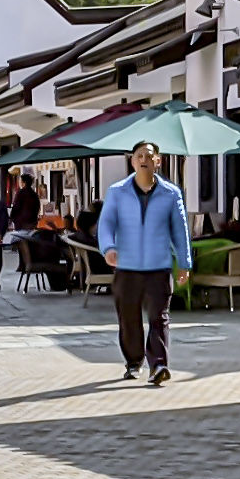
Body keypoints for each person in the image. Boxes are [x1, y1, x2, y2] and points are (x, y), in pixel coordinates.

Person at [97, 141, 191, 385]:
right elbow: (106, 223)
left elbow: (180, 230)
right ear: (132, 161)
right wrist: (108, 248)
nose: (144, 159)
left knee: (159, 317)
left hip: (158, 266)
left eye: (149, 156)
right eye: (139, 156)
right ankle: (133, 361)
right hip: (127, 267)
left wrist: (184, 263)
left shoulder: (171, 193)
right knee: (128, 318)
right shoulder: (118, 191)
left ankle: (159, 364)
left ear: (158, 161)